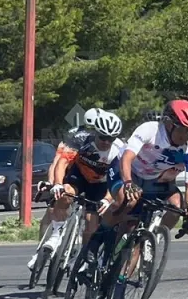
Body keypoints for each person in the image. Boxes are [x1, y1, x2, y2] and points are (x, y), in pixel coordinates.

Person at [41, 109, 126, 280]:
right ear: (95, 132)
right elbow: (63, 161)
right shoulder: (81, 139)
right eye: (102, 137)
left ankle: (85, 256)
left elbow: (118, 180)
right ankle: (57, 233)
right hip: (79, 175)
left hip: (101, 185)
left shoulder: (119, 150)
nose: (106, 142)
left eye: (110, 139)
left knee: (91, 222)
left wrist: (107, 200)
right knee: (64, 194)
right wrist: (57, 184)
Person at [109, 98, 188, 234]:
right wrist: (128, 183)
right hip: (124, 170)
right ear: (170, 125)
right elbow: (127, 158)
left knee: (175, 208)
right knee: (126, 201)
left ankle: (147, 244)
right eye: (183, 130)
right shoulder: (150, 130)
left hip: (149, 180)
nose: (186, 136)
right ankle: (96, 239)